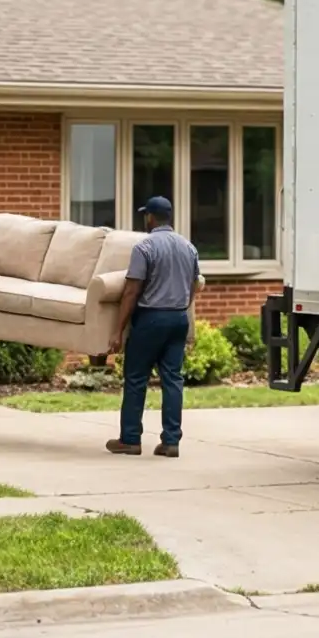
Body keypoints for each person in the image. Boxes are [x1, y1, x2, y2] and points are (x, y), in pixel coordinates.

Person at [108, 195, 201, 457]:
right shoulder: (188, 247)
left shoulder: (144, 248)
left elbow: (131, 291)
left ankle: (130, 439)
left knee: (136, 378)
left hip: (151, 319)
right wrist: (182, 308)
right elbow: (194, 285)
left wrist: (118, 330)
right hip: (178, 319)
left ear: (149, 217)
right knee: (173, 379)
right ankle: (171, 442)